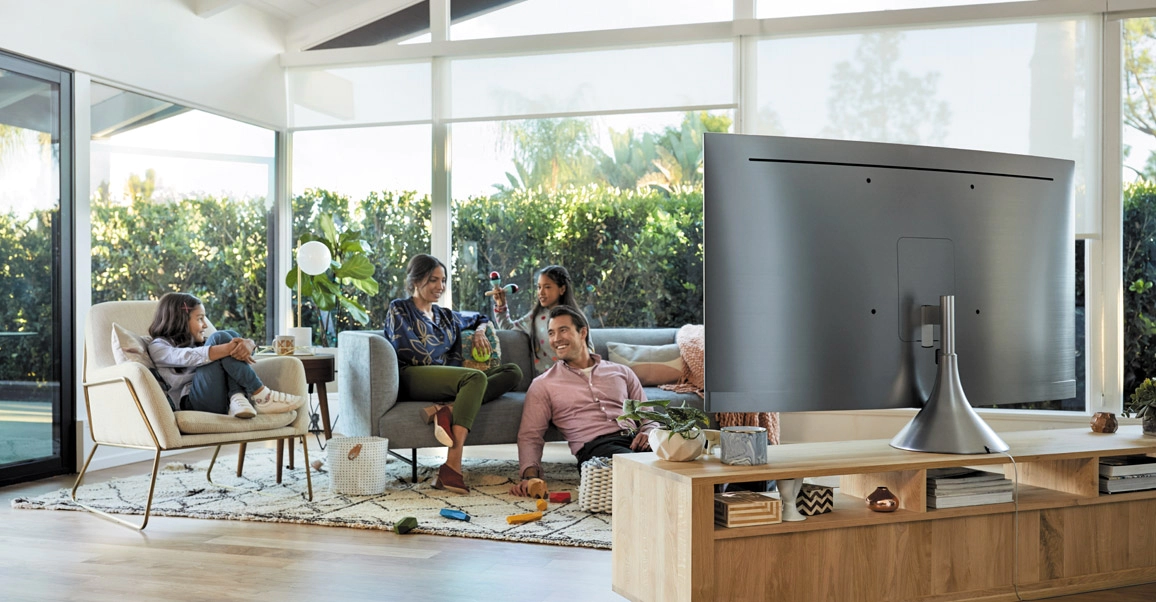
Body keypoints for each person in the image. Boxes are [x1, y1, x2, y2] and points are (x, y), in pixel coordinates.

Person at [385, 254, 523, 494]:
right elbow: (419, 353)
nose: (440, 286)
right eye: (433, 280)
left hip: (447, 379)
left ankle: (447, 409)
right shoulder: (400, 308)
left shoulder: (445, 315)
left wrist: (480, 332)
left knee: (513, 372)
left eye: (443, 280)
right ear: (416, 280)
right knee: (474, 377)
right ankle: (453, 464)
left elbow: (481, 317)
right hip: (413, 375)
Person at [509, 305, 655, 496]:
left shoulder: (621, 372)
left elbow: (648, 417)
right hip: (596, 450)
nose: (556, 339)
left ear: (583, 332)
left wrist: (649, 432)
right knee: (646, 471)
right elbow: (530, 436)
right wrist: (530, 477)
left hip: (635, 441)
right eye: (551, 333)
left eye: (563, 330)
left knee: (694, 453)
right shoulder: (543, 384)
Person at [147, 292, 305, 418]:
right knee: (220, 338)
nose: (205, 325)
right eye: (200, 319)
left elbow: (234, 351)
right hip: (193, 403)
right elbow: (186, 356)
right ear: (180, 320)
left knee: (227, 335)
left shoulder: (199, 342)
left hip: (219, 398)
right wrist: (231, 346)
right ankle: (261, 395)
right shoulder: (158, 347)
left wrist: (249, 344)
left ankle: (238, 398)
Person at [492, 265, 583, 376]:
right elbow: (508, 328)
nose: (541, 292)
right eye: (539, 287)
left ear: (562, 289)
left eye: (547, 287)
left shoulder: (576, 317)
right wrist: (501, 305)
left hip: (575, 378)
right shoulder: (535, 317)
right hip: (546, 380)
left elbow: (588, 351)